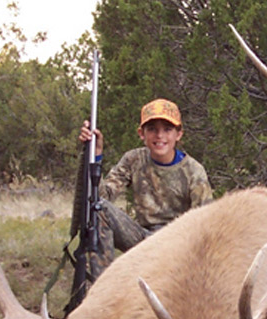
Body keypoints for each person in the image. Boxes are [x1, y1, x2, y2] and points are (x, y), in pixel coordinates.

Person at [79, 98, 214, 254]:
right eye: (152, 129)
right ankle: (104, 277)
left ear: (179, 134)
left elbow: (205, 223)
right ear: (141, 134)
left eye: (167, 129)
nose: (159, 135)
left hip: (179, 245)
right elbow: (102, 196)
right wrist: (95, 155)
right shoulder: (133, 160)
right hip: (142, 241)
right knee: (99, 208)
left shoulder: (194, 171)